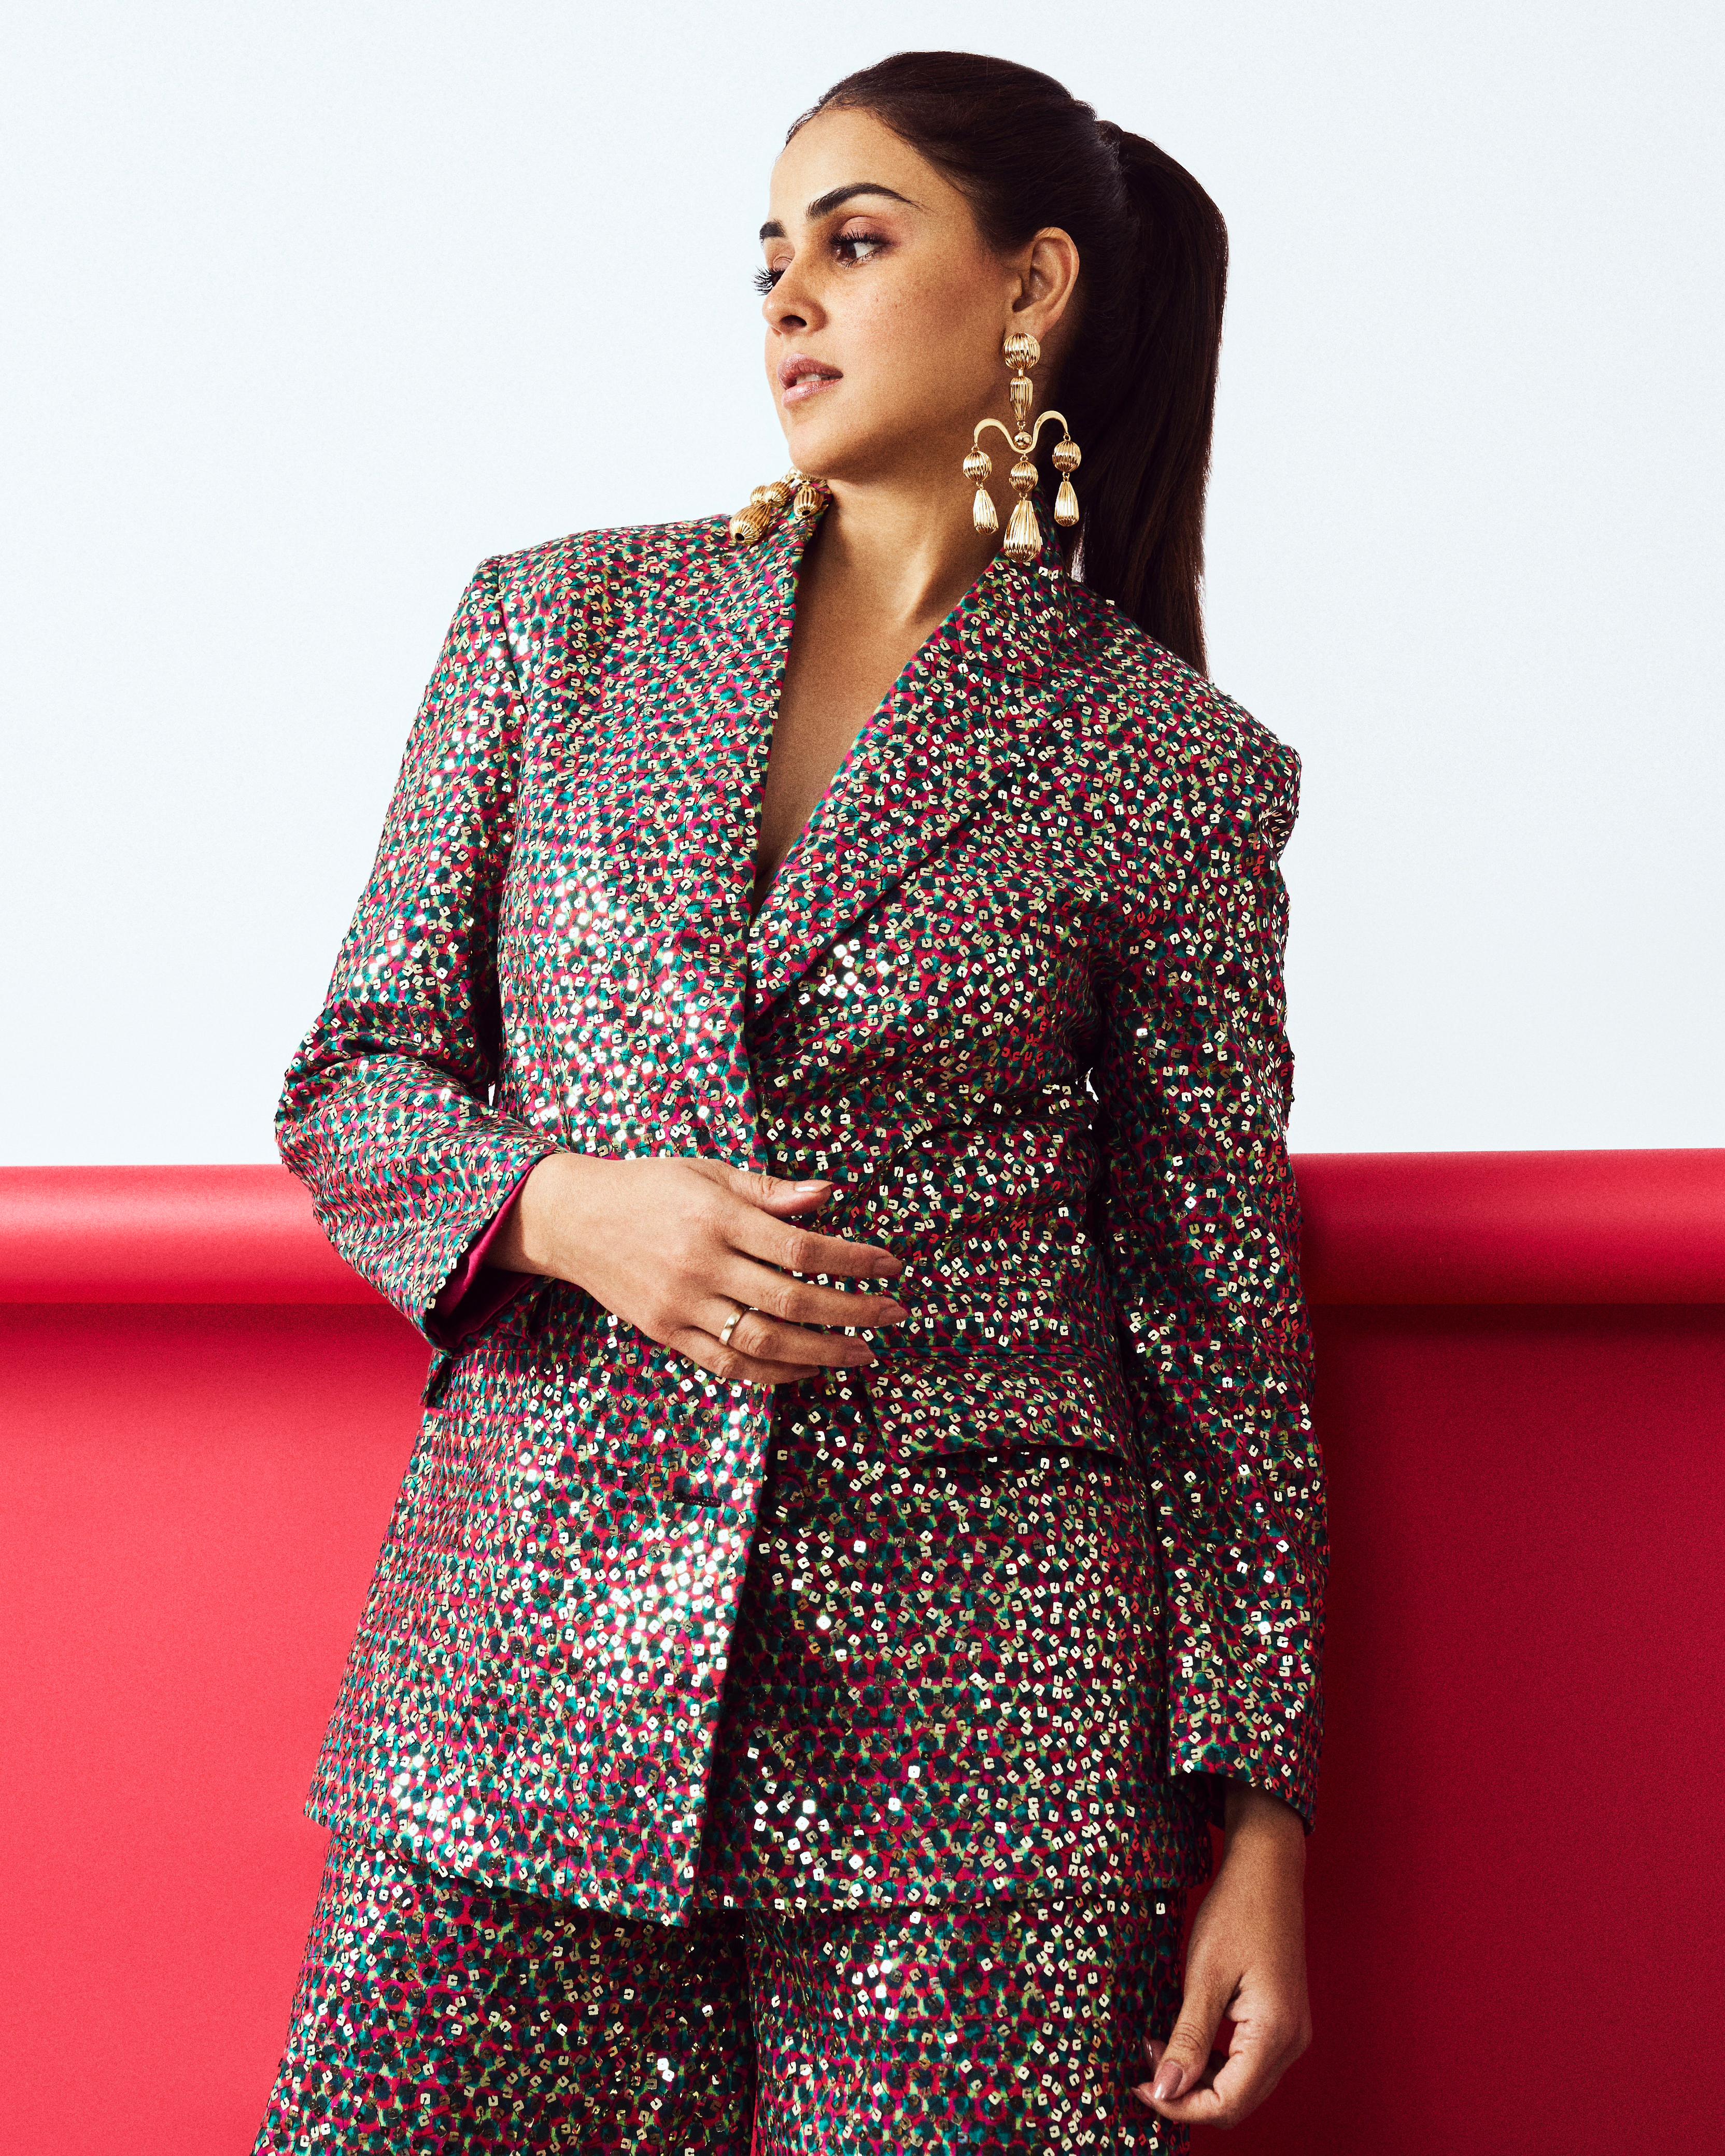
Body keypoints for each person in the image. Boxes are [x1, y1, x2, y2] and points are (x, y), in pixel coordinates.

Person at [254, 47, 1326, 2156]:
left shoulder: (1172, 763)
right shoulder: (555, 627)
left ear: (1031, 286)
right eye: (770, 259)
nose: (791, 300)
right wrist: (569, 1207)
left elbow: (1218, 1321)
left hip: (987, 1740)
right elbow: (353, 1079)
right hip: (522, 1683)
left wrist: (1261, 1819)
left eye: (855, 239)